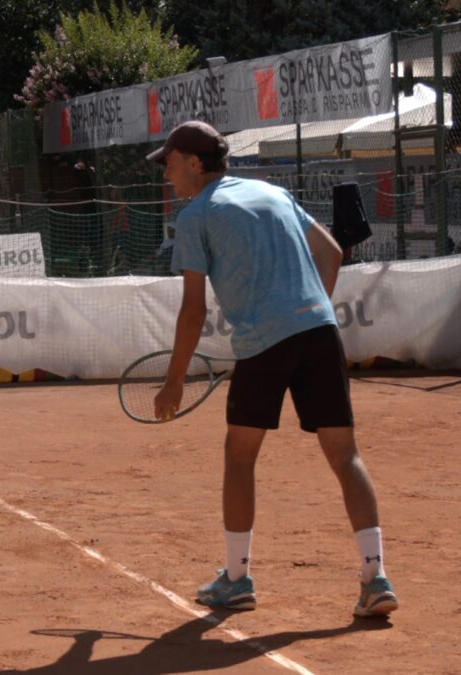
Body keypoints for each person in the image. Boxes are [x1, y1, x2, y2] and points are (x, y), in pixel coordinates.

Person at [149, 120, 398, 618]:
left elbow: (193, 310)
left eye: (171, 163)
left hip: (265, 344)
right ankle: (376, 578)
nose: (167, 175)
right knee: (345, 455)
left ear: (196, 163)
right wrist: (305, 314)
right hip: (320, 333)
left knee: (239, 457)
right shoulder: (272, 192)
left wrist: (174, 381)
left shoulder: (196, 215)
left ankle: (237, 580)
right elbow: (330, 252)